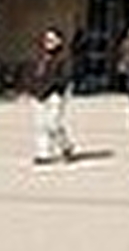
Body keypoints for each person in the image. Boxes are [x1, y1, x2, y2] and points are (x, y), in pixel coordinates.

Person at [27, 27, 77, 166]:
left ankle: (66, 146)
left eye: (52, 40)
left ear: (59, 41)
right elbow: (32, 73)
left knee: (53, 124)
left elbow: (65, 77)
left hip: (55, 93)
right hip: (39, 93)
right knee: (41, 124)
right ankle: (43, 153)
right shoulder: (39, 56)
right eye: (47, 39)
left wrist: (56, 90)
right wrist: (32, 89)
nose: (48, 42)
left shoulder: (64, 57)